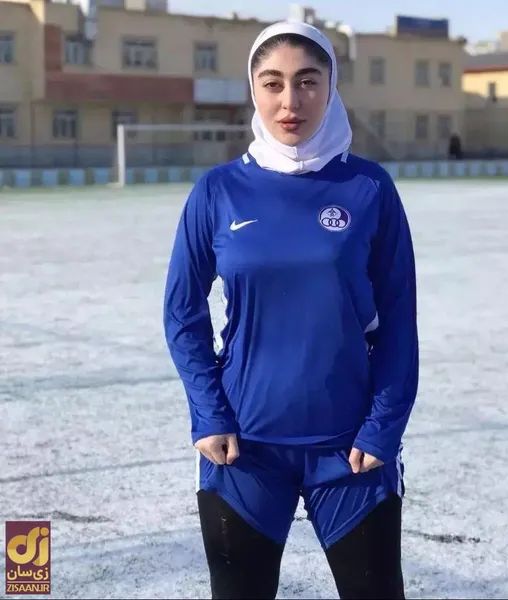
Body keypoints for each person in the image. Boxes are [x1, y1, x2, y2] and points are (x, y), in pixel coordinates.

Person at [163, 20, 419, 600]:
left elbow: (399, 319)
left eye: (307, 81)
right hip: (243, 446)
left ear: (331, 87)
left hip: (351, 448)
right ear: (253, 89)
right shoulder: (217, 191)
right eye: (272, 83)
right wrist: (209, 413)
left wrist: (383, 427)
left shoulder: (369, 188)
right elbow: (182, 312)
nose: (290, 101)